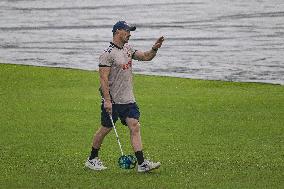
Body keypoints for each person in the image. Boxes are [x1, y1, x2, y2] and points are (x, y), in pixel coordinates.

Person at [85, 21, 164, 172]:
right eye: (127, 31)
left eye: (130, 31)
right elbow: (103, 78)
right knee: (105, 129)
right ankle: (92, 159)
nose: (130, 33)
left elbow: (146, 57)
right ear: (117, 32)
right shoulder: (107, 54)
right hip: (113, 101)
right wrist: (107, 100)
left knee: (135, 126)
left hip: (128, 99)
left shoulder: (128, 48)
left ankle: (142, 164)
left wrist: (154, 48)